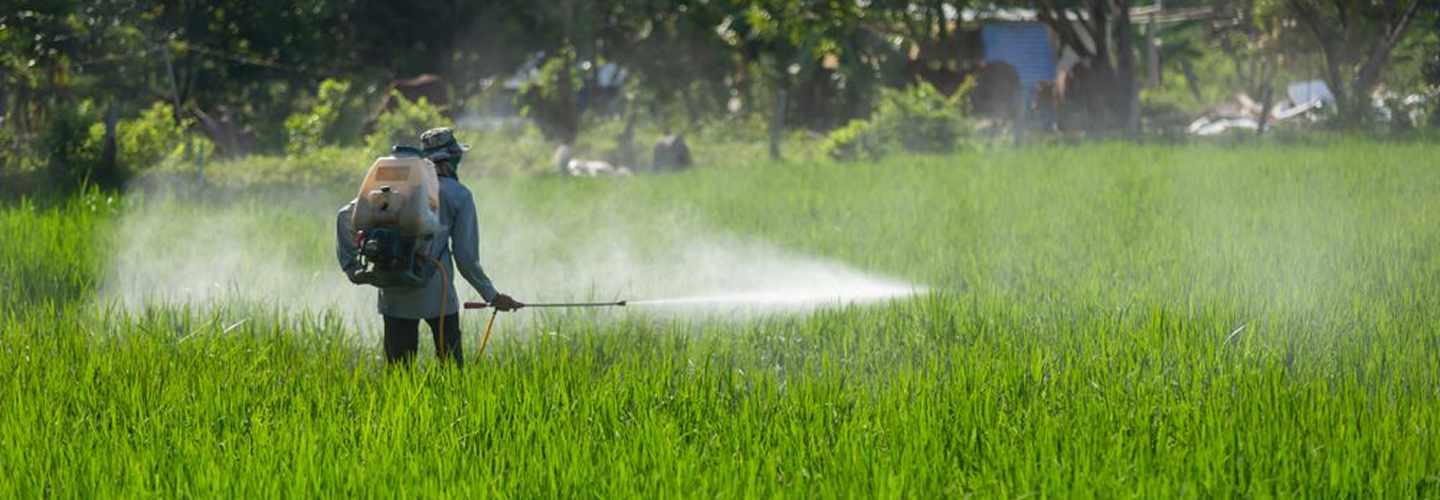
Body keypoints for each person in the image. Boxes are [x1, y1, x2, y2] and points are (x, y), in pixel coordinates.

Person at [336, 127, 523, 367]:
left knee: (399, 377)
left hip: (393, 292)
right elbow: (465, 257)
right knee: (452, 372)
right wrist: (491, 295)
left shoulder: (397, 189)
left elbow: (344, 215)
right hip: (439, 295)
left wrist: (352, 267)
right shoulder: (458, 195)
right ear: (451, 159)